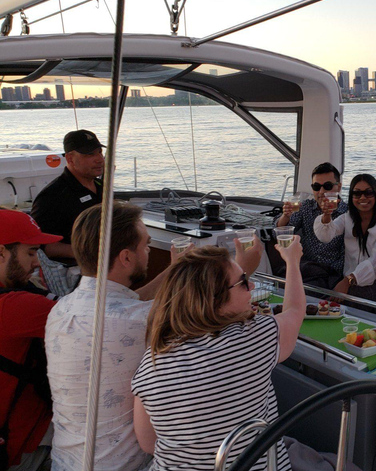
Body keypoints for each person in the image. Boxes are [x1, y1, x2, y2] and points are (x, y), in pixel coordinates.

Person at [45, 202, 263, 471]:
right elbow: (215, 310)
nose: (148, 252)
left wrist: (173, 271)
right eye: (146, 246)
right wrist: (243, 271)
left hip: (64, 462)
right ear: (126, 258)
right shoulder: (142, 322)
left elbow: (128, 302)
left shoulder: (60, 311)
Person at [131, 239, 306, 470]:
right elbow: (294, 310)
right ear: (215, 300)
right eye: (244, 282)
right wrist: (292, 261)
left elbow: (148, 443)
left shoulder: (151, 362)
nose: (252, 287)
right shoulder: (255, 336)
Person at [0, 210, 62, 470]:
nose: (38, 262)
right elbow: (107, 319)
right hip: (22, 449)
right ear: (2, 253)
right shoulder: (16, 307)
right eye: (31, 252)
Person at [314, 174, 376, 304]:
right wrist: (327, 215)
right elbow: (326, 236)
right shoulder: (347, 218)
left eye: (368, 192)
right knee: (319, 290)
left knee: (341, 300)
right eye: (357, 193)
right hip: (350, 282)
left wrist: (348, 280)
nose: (363, 197)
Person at [31, 129, 105, 263]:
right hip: (74, 270)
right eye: (90, 154)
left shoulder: (102, 187)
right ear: (70, 158)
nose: (99, 159)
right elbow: (40, 245)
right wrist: (88, 253)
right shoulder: (52, 196)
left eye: (100, 152)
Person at [274, 162, 348, 288]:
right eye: (316, 186)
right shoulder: (305, 206)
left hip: (331, 274)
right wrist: (285, 215)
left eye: (328, 186)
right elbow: (279, 231)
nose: (321, 192)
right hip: (306, 268)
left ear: (339, 187)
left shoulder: (348, 212)